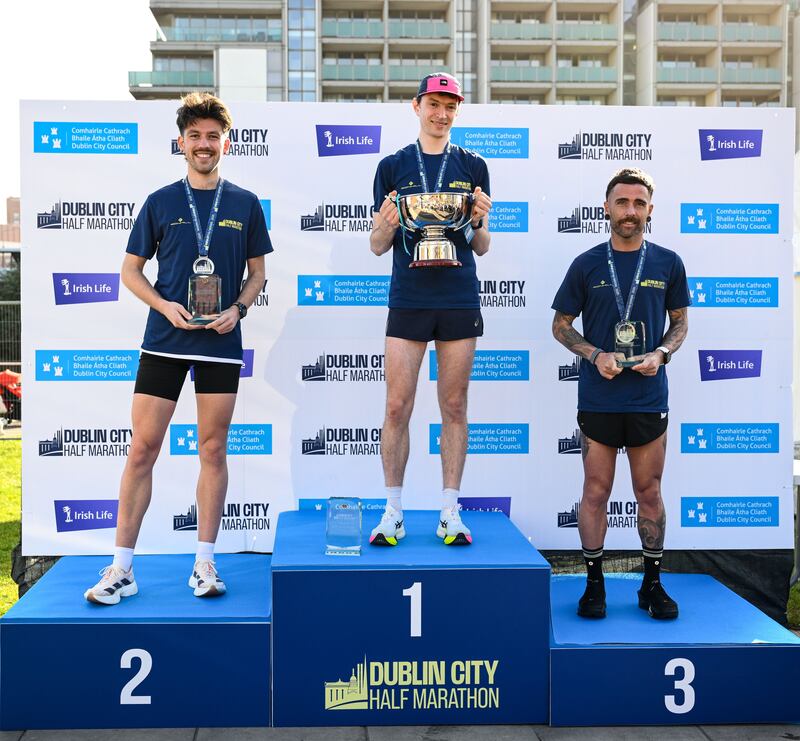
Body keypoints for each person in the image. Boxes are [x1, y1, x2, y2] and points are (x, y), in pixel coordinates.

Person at [85, 92, 272, 604]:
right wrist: (165, 306)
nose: (204, 144)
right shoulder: (161, 201)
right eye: (195, 136)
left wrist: (238, 308)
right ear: (181, 143)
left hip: (219, 342)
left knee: (212, 449)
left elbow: (258, 273)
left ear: (225, 142)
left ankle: (205, 563)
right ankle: (121, 567)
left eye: (213, 136)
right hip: (165, 340)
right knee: (142, 449)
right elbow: (130, 271)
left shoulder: (245, 203)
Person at [551, 168, 689, 619]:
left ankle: (652, 584)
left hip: (649, 397)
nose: (630, 211)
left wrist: (663, 353)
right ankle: (594, 585)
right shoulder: (587, 263)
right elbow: (561, 325)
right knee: (595, 490)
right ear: (606, 207)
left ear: (651, 210)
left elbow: (681, 322)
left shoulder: (668, 262)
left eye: (639, 203)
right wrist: (594, 355)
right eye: (622, 202)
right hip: (599, 397)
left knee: (648, 491)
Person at [368, 73, 492, 547]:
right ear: (416, 105)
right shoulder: (393, 165)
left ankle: (450, 510)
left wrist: (481, 220)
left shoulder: (474, 166)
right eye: (434, 104)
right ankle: (393, 510)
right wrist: (386, 224)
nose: (442, 113)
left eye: (450, 106)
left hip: (458, 297)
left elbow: (480, 245)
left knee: (454, 405)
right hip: (409, 297)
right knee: (398, 405)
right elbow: (378, 246)